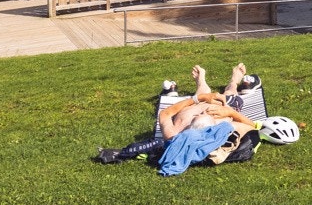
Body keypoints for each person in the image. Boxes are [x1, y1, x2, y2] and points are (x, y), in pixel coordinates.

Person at [96, 63, 258, 169]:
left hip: (196, 104)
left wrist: (199, 99)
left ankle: (201, 81)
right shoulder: (224, 128)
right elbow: (253, 127)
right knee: (231, 93)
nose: (202, 113)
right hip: (224, 106)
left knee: (202, 92)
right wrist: (229, 112)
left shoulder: (174, 133)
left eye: (199, 116)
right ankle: (234, 81)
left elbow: (165, 114)